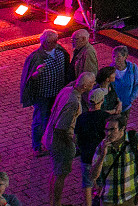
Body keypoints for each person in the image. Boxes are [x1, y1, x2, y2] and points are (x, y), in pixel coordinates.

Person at [45, 71, 93, 206]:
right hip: (60, 143)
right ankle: (57, 203)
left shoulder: (66, 90)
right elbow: (62, 127)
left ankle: (52, 202)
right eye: (92, 83)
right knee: (60, 175)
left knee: (55, 173)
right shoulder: (74, 102)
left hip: (50, 137)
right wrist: (71, 145)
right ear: (84, 87)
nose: (94, 84)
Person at [22, 30, 71, 154]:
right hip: (43, 95)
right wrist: (36, 74)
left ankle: (52, 143)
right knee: (40, 120)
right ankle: (37, 147)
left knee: (56, 119)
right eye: (51, 41)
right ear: (44, 43)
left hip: (58, 92)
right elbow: (28, 78)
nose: (55, 43)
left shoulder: (60, 51)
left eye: (56, 40)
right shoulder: (36, 57)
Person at [91, 113, 138, 206]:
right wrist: (102, 155)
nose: (108, 133)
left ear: (122, 128)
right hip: (108, 198)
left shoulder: (135, 139)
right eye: (106, 130)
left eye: (112, 129)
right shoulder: (101, 147)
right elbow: (93, 175)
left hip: (130, 196)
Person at [109, 47, 138, 115]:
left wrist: (131, 99)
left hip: (126, 105)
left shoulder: (132, 68)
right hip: (113, 106)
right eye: (113, 56)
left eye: (118, 57)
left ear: (125, 57)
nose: (115, 59)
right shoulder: (110, 70)